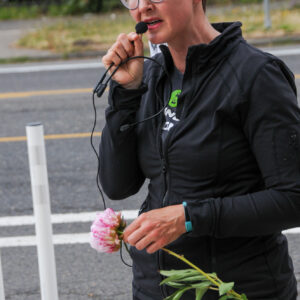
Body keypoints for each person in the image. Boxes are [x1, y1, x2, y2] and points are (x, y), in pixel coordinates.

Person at [99, 0, 300, 299]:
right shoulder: (153, 75)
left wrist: (189, 217)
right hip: (154, 288)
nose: (143, 7)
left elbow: (293, 198)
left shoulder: (256, 75)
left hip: (239, 288)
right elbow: (117, 185)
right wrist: (126, 92)